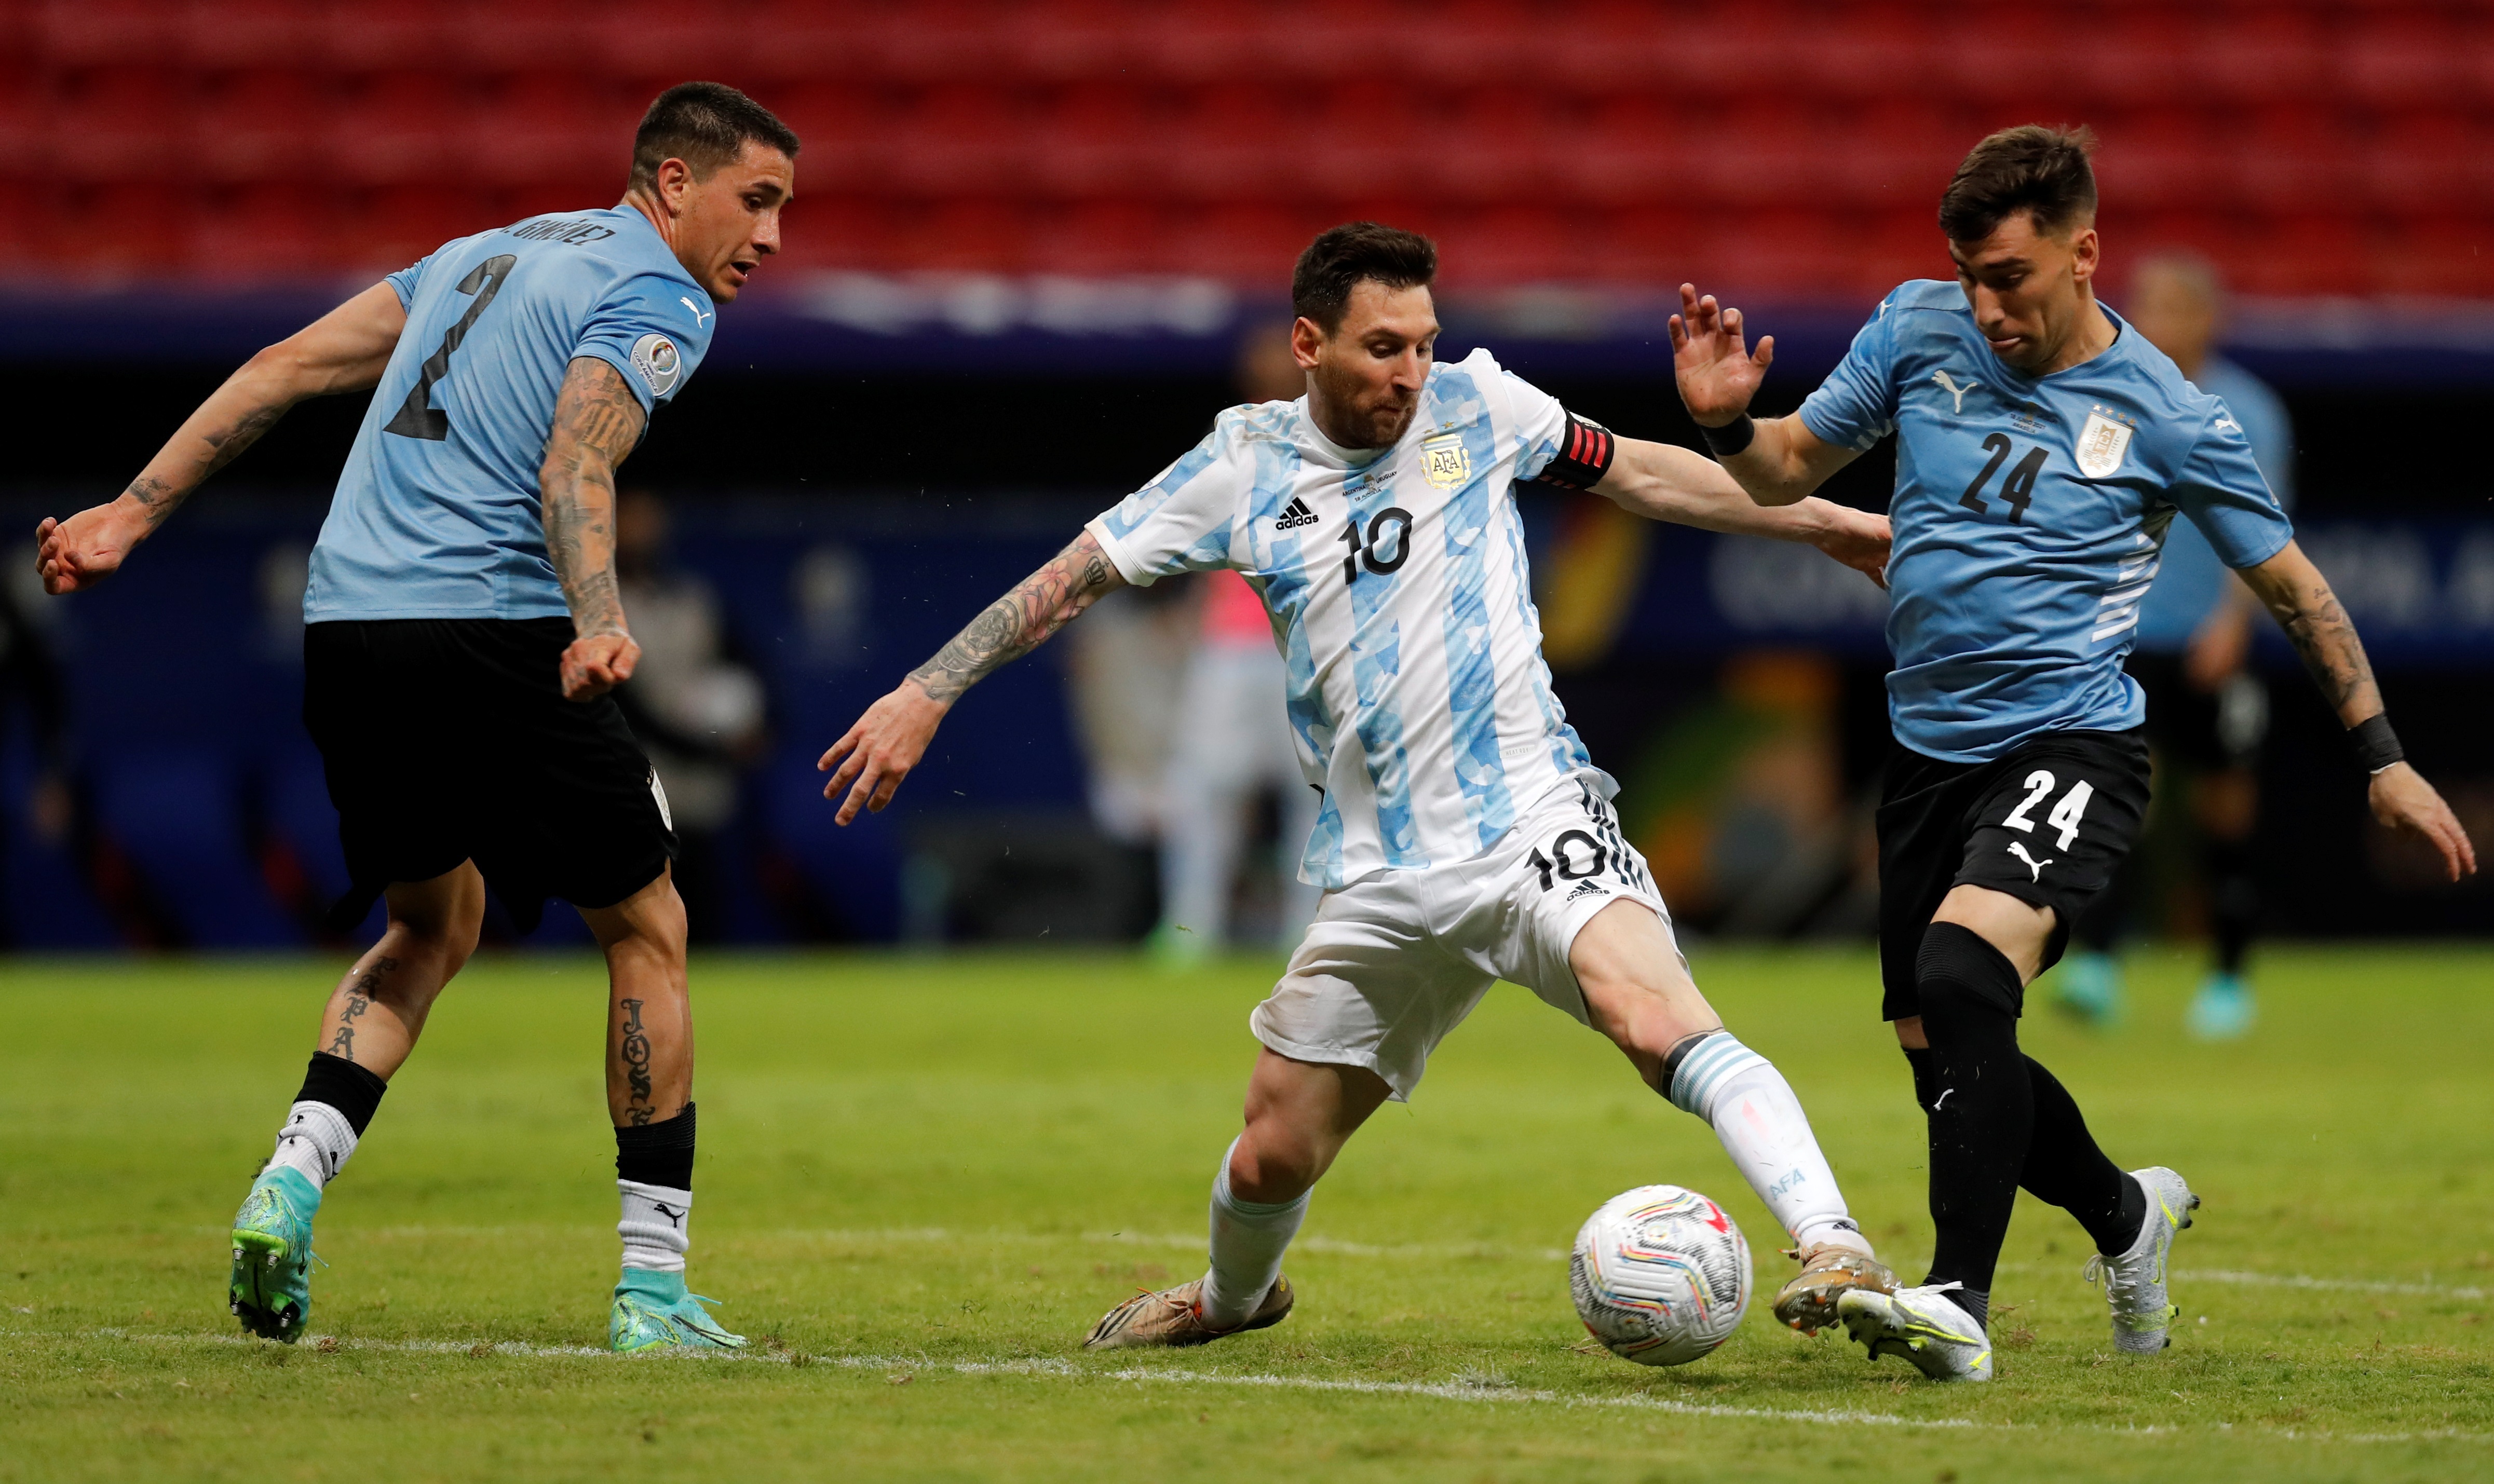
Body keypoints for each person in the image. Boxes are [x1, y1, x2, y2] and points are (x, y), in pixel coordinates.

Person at [821, 222, 1906, 1348]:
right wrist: (926, 689)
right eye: (1383, 347)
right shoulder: (1239, 464)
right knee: (1271, 1146)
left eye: (1425, 343)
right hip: (1380, 874)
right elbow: (1072, 577)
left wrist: (1820, 522)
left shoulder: (1480, 407)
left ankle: (1832, 1241)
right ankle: (1230, 1300)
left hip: (1532, 820)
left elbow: (1639, 470)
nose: (1410, 373)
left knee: (1655, 1016)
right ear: (1307, 343)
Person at [1673, 125, 2476, 1382]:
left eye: (2009, 275)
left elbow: (2296, 590)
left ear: (2084, 251)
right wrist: (1728, 425)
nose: (1985, 304)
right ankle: (2125, 1213)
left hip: (2075, 742)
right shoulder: (1913, 330)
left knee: (1958, 968)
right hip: (1926, 754)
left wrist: (2381, 754)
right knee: (1947, 1048)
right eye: (1969, 274)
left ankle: (1956, 1301)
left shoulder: (2170, 413)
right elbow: (1787, 471)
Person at [34, 81, 801, 1353]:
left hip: (349, 628)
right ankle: (653, 1292)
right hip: (493, 627)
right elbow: (576, 461)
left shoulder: (477, 254)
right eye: (756, 200)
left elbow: (282, 367)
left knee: (429, 922)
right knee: (647, 924)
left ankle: (288, 1179)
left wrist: (128, 511)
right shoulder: (658, 292)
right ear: (674, 183)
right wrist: (601, 612)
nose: (771, 238)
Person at [2057, 254, 2294, 1039]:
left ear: (2207, 318)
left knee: (2223, 811)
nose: (2156, 321)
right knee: (2115, 802)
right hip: (2125, 639)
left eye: (2174, 307)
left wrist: (2234, 622)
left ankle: (2228, 979)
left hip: (2208, 642)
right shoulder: (2107, 397)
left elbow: (2266, 532)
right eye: (2148, 305)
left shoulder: (2250, 412)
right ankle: (2097, 964)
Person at [1154, 323, 1324, 960]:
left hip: (1306, 647)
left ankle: (1306, 937)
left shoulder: (1337, 441)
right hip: (1229, 646)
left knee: (1314, 800)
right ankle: (1188, 932)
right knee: (1202, 789)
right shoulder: (1231, 441)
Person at [613, 488, 769, 944]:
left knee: (700, 907)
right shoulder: (601, 604)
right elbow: (624, 704)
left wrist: (753, 730)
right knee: (632, 915)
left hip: (699, 791)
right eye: (629, 520)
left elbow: (748, 667)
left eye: (649, 519)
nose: (641, 531)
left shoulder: (695, 599)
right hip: (632, 777)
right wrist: (708, 749)